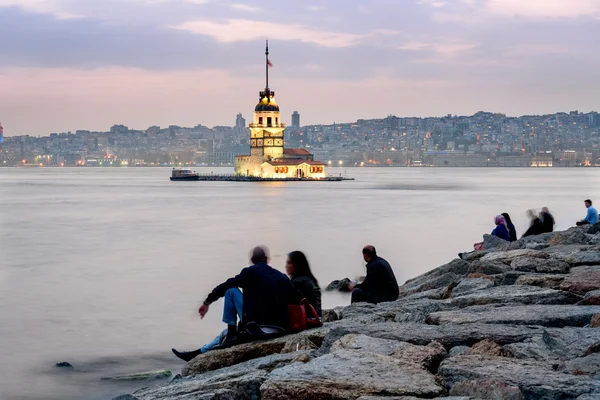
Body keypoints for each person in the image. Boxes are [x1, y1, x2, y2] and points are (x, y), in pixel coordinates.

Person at [171, 246, 301, 362]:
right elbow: (299, 298)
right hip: (281, 328)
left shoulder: (249, 272)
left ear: (252, 261)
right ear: (266, 259)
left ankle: (231, 335)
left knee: (231, 291)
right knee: (224, 333)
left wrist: (207, 302)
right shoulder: (281, 277)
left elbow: (225, 286)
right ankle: (197, 354)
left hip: (259, 328)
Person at [286, 251, 322, 317]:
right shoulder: (312, 279)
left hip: (306, 319)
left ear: (297, 264)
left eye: (289, 263)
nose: (286, 266)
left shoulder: (297, 283)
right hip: (317, 317)